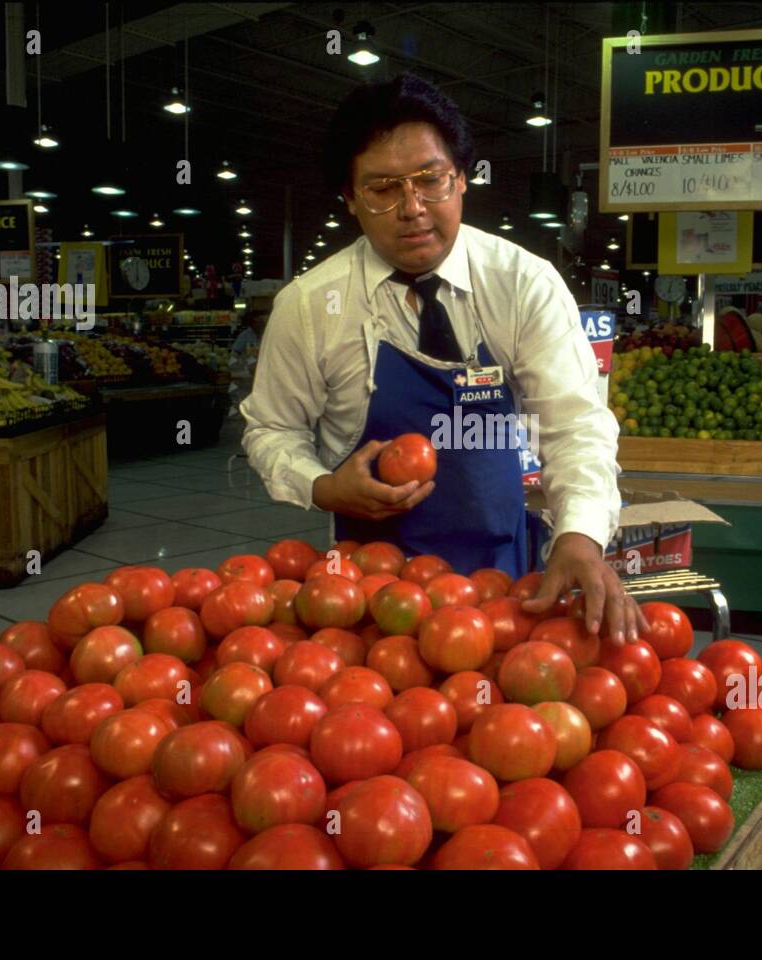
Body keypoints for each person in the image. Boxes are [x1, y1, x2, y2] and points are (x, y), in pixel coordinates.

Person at [241, 74, 646, 643]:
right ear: (351, 199)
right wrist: (322, 486)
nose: (413, 208)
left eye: (431, 180)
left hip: (502, 583)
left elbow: (574, 425)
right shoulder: (310, 307)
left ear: (461, 180)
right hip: (364, 597)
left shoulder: (522, 284)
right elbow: (271, 429)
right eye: (383, 188)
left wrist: (579, 536)